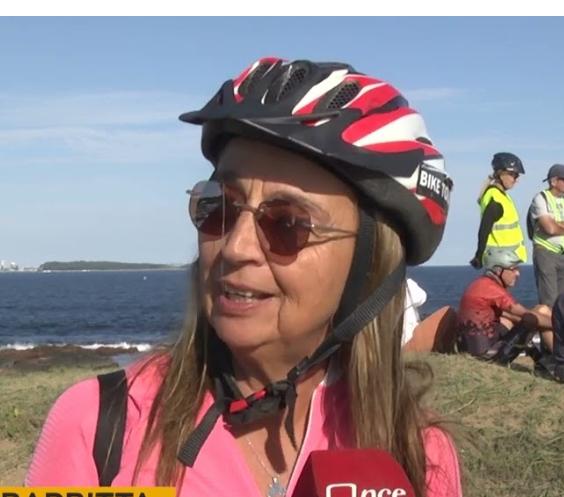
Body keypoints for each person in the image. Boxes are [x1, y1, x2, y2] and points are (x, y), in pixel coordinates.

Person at [26, 57, 461, 496]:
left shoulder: (418, 454)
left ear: (369, 265)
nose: (235, 247)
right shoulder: (100, 427)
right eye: (219, 206)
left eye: (288, 223)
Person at [457, 247, 552, 364]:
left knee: (509, 319)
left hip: (472, 351)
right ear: (498, 270)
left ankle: (541, 361)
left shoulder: (481, 283)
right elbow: (525, 314)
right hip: (487, 358)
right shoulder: (492, 289)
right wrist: (557, 323)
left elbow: (510, 315)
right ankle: (559, 362)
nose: (518, 273)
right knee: (537, 315)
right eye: (513, 269)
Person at [470, 152, 527, 269]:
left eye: (517, 176)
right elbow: (484, 229)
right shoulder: (495, 199)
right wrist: (479, 256)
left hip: (507, 258)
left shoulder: (501, 196)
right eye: (513, 175)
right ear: (500, 173)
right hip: (500, 260)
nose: (516, 180)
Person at [528, 164, 564, 307]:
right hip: (545, 252)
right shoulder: (541, 198)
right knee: (549, 301)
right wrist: (554, 225)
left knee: (561, 303)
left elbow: (553, 226)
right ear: (553, 181)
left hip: (561, 253)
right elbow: (549, 228)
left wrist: (557, 224)